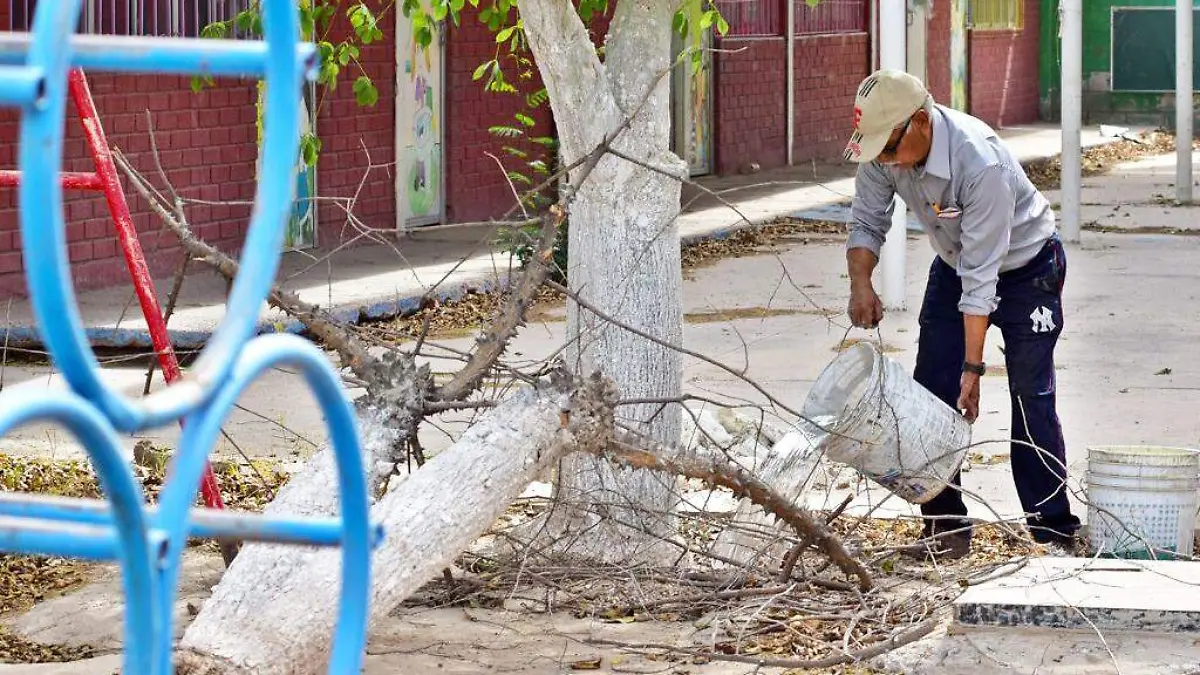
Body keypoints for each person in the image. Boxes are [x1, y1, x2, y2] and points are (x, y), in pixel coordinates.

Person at [841, 69, 1080, 559]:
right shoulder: (885, 147)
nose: (882, 161)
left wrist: (974, 370)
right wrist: (861, 283)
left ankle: (1053, 531)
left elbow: (982, 277)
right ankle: (945, 528)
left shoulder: (979, 162)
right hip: (955, 266)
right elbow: (867, 220)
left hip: (1027, 267)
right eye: (877, 151)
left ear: (922, 123)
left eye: (887, 149)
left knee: (1031, 396)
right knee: (930, 392)